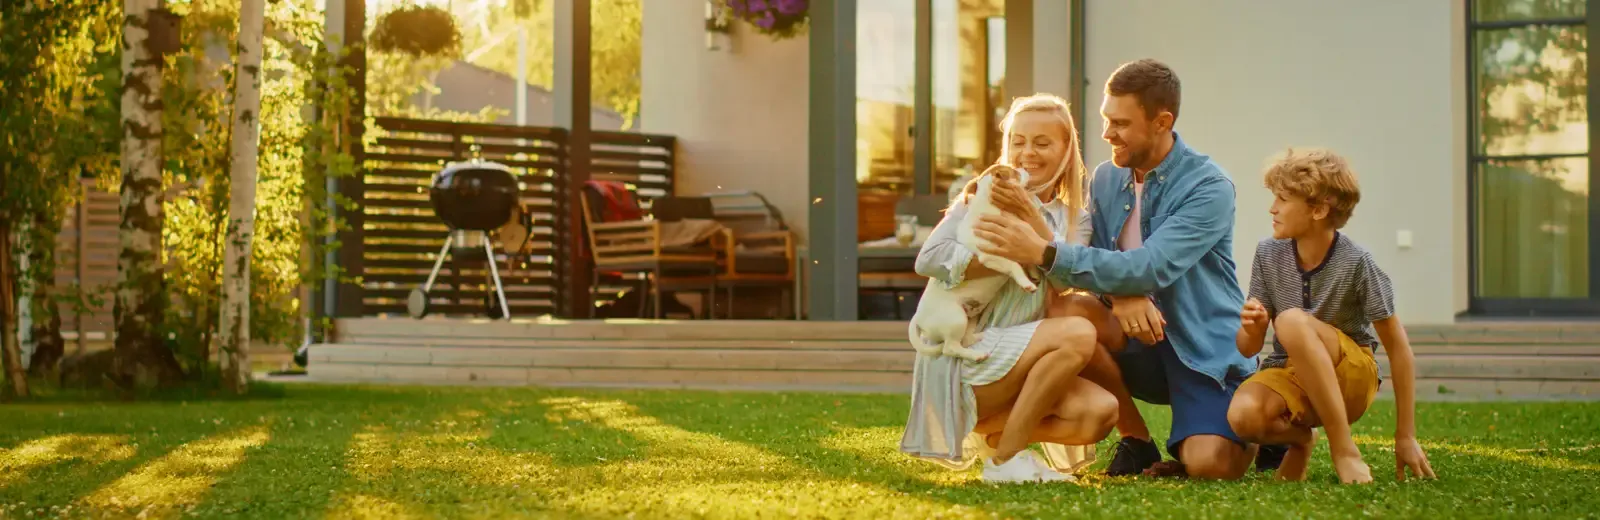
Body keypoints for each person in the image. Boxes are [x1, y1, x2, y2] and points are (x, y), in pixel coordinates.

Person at [974, 59, 1259, 480]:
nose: (1107, 134)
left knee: (1208, 465)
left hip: (1200, 350)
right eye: (1107, 119)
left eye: (1121, 124)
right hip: (1137, 343)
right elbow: (1101, 257)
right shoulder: (1107, 179)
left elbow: (1149, 266)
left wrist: (1045, 252)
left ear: (1162, 122)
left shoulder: (1208, 186)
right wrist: (1123, 296)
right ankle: (1137, 440)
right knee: (1070, 311)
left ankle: (1255, 427)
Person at [900, 93, 1116, 483]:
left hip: (1020, 361)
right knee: (1079, 333)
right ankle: (1007, 462)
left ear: (1067, 151)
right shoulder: (978, 198)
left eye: (1042, 143)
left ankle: (1001, 441)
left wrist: (1032, 220)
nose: (1027, 153)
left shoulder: (1075, 220)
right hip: (967, 355)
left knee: (1100, 411)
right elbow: (928, 258)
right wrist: (1005, 254)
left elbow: (1065, 279)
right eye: (1018, 142)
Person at [1227, 148, 1437, 483]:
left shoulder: (1357, 262)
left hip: (1352, 375)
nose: (1272, 208)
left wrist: (1405, 436)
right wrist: (1253, 328)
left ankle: (1344, 449)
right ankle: (1301, 440)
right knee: (1243, 417)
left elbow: (1399, 349)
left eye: (1282, 198)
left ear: (1319, 209)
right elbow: (1247, 349)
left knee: (1292, 321)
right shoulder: (1268, 254)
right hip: (1293, 373)